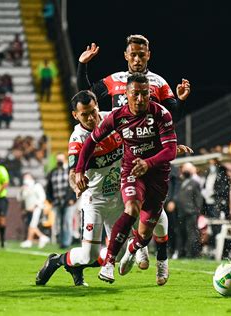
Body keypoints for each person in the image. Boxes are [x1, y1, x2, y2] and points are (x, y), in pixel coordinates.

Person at [36, 90, 189, 287]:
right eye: (85, 115)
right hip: (96, 201)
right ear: (75, 115)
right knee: (88, 255)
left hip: (122, 193)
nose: (91, 118)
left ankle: (158, 257)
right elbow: (73, 172)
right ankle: (58, 261)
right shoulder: (78, 138)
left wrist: (170, 148)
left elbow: (145, 137)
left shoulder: (115, 118)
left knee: (155, 219)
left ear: (97, 105)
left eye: (93, 111)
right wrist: (77, 182)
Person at [74, 73, 177, 284]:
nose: (140, 99)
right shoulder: (117, 116)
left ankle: (134, 248)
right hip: (131, 171)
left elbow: (170, 150)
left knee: (145, 230)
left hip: (157, 175)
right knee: (131, 208)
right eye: (135, 94)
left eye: (144, 94)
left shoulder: (161, 114)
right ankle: (109, 263)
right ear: (126, 95)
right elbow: (90, 142)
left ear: (150, 93)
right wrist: (78, 170)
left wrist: (148, 163)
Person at [76, 35, 190, 121]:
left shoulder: (159, 82)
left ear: (148, 55)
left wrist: (181, 99)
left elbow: (174, 117)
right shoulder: (115, 79)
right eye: (133, 55)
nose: (137, 59)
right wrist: (82, 64)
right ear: (126, 55)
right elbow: (85, 95)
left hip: (147, 144)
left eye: (141, 55)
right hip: (120, 145)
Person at [46, 153, 75, 249]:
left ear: (65, 160)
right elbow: (49, 187)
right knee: (59, 222)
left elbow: (74, 185)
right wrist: (50, 199)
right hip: (57, 201)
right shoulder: (53, 172)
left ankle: (67, 242)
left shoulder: (69, 171)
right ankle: (62, 242)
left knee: (67, 221)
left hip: (68, 201)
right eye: (58, 159)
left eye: (61, 159)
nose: (59, 161)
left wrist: (73, 198)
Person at [174, 163, 203, 258]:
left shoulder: (195, 183)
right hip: (181, 212)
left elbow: (199, 198)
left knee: (192, 233)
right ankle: (181, 252)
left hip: (191, 212)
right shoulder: (181, 182)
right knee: (181, 232)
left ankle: (191, 253)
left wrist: (196, 210)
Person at [18, 173, 49, 248]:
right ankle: (42, 237)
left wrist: (35, 205)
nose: (26, 179)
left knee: (32, 224)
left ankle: (29, 240)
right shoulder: (25, 188)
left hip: (37, 208)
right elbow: (20, 198)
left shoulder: (37, 186)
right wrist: (21, 190)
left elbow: (42, 197)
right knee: (31, 225)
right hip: (28, 210)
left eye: (27, 177)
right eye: (25, 178)